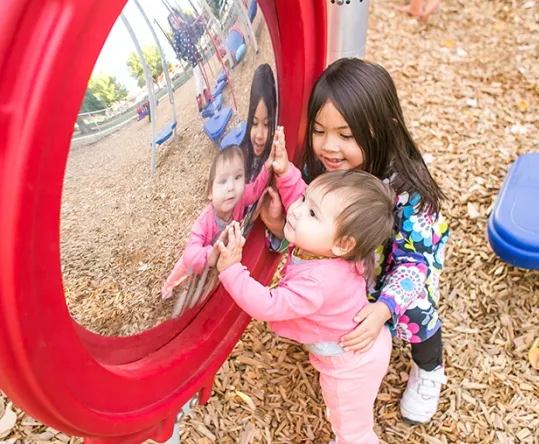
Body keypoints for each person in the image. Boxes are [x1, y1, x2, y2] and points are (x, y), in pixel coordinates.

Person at [259, 58, 450, 424]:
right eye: (319, 131)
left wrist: (384, 309)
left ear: (381, 130)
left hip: (400, 269)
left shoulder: (408, 191)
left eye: (346, 135)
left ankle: (429, 367)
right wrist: (283, 228)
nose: (329, 146)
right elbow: (313, 227)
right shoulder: (327, 169)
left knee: (417, 311)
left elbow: (414, 265)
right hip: (352, 262)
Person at [216, 127, 395, 443]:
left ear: (342, 243)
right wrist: (285, 174)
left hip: (348, 364)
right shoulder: (337, 248)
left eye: (310, 212)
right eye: (304, 201)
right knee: (350, 410)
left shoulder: (318, 283)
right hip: (365, 345)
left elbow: (269, 304)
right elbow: (306, 199)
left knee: (352, 430)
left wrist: (232, 270)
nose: (296, 210)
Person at [161, 146, 271, 299]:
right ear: (210, 193)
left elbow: (254, 191)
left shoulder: (239, 198)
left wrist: (268, 167)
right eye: (223, 181)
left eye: (238, 177)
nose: (231, 187)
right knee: (183, 268)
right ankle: (167, 286)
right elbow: (190, 255)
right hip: (205, 252)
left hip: (221, 251)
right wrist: (210, 255)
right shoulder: (204, 221)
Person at [168, 11, 211, 112]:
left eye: (176, 20)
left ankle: (206, 94)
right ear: (172, 27)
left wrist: (183, 22)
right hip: (191, 56)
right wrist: (184, 57)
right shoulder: (176, 35)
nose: (176, 23)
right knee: (199, 77)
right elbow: (177, 49)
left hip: (195, 52)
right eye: (173, 23)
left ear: (179, 18)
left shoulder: (184, 27)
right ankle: (199, 97)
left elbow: (191, 29)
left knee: (200, 75)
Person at [241, 63, 277, 182]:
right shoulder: (242, 155)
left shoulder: (274, 161)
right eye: (255, 123)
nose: (259, 135)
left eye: (266, 124)